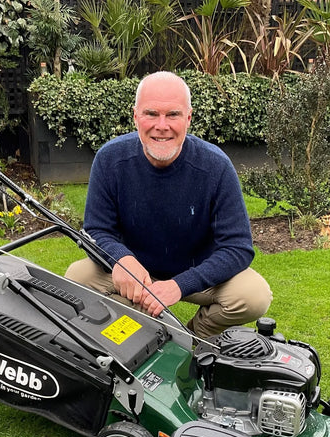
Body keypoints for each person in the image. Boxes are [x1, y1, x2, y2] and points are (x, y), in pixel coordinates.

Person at [65, 71, 272, 338]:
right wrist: (122, 259)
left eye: (173, 115)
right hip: (136, 274)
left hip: (197, 274)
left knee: (254, 295)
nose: (161, 125)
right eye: (151, 113)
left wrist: (179, 284)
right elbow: (96, 230)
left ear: (188, 117)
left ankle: (194, 338)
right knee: (77, 277)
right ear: (135, 116)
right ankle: (142, 333)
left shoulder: (215, 166)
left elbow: (238, 247)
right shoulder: (110, 159)